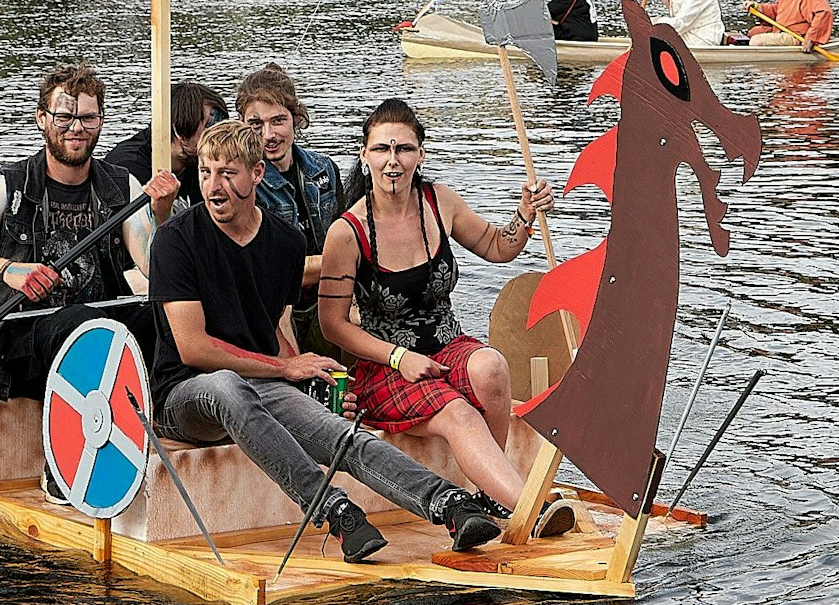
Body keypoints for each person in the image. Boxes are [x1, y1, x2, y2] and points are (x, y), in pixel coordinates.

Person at [148, 121, 505, 563]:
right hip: (185, 394)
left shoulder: (285, 243)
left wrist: (309, 378)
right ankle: (335, 511)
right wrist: (284, 370)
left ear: (257, 173)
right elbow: (192, 347)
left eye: (227, 173)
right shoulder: (174, 240)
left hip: (258, 379)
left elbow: (272, 331)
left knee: (340, 433)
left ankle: (451, 504)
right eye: (204, 172)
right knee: (226, 385)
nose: (213, 186)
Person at [316, 99, 576, 538]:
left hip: (446, 345)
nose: (392, 161)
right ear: (364, 155)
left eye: (404, 149)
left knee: (491, 366)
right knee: (457, 411)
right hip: (384, 367)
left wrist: (526, 215)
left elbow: (498, 247)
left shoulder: (440, 203)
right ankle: (531, 508)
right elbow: (333, 325)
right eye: (381, 149)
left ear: (420, 155)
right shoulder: (347, 232)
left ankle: (489, 495)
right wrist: (400, 357)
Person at [0, 65, 177, 402]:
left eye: (89, 118)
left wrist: (161, 213)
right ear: (41, 118)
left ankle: (170, 407)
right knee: (79, 322)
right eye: (64, 118)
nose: (77, 128)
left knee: (165, 316)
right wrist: (7, 271)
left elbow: (153, 268)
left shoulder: (121, 187)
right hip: (18, 340)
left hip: (101, 324)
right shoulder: (6, 187)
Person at [236, 64, 345, 356]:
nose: (268, 135)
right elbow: (269, 274)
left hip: (329, 299)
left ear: (296, 119)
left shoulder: (324, 169)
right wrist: (342, 263)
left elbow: (347, 235)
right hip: (275, 311)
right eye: (256, 124)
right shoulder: (241, 185)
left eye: (278, 121)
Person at [103, 80, 227, 214]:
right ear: (179, 130)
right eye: (211, 125)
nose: (219, 137)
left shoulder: (200, 162)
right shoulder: (128, 168)